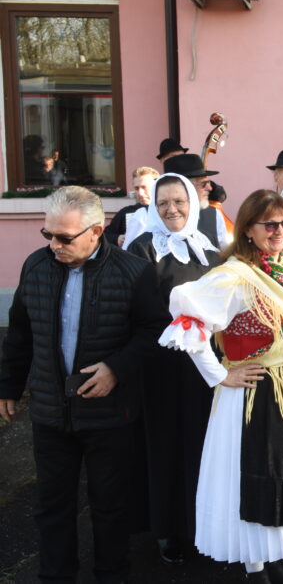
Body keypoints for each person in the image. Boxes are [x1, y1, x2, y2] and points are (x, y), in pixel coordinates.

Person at [158, 189, 283, 582]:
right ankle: (255, 566)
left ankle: (274, 558)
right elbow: (189, 325)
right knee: (258, 479)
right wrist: (220, 375)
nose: (280, 231)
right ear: (247, 230)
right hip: (255, 397)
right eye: (269, 224)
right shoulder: (234, 277)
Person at [0, 186, 165, 583]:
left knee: (110, 507)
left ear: (96, 231)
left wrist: (116, 368)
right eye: (48, 234)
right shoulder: (36, 266)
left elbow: (155, 331)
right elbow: (20, 333)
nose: (53, 245)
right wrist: (8, 385)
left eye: (64, 237)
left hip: (110, 415)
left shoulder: (134, 272)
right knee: (52, 508)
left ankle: (111, 575)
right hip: (50, 413)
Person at [126, 174, 220, 564]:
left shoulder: (208, 248)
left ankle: (201, 524)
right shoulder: (142, 248)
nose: (171, 209)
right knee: (165, 445)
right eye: (163, 203)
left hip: (203, 366)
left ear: (192, 203)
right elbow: (137, 308)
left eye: (179, 201)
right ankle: (167, 529)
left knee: (202, 444)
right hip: (161, 366)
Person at [125, 153, 228, 250]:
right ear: (186, 186)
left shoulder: (215, 215)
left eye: (208, 182)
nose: (210, 188)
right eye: (203, 184)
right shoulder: (143, 216)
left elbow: (224, 254)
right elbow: (129, 255)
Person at [105, 165, 159, 246]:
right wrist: (116, 239)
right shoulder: (126, 212)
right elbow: (105, 235)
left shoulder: (167, 211)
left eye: (144, 187)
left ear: (156, 186)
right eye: (137, 188)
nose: (140, 193)